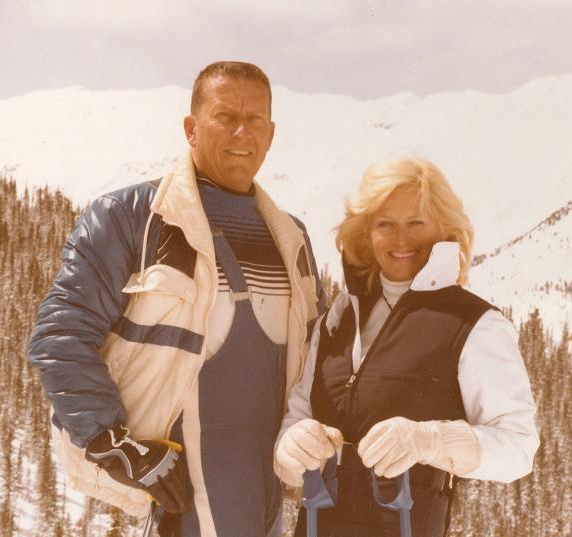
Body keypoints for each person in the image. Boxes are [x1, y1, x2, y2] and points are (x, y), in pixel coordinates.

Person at [28, 61, 326, 537]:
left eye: (254, 121)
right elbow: (59, 338)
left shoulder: (292, 238)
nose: (240, 132)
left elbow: (320, 358)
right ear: (191, 128)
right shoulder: (130, 218)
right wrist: (115, 444)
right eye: (224, 116)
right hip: (179, 500)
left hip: (268, 500)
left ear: (271, 135)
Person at [274, 158, 539, 537]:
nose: (402, 240)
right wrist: (291, 445)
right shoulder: (339, 317)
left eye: (417, 223)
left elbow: (518, 446)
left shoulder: (473, 324)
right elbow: (297, 412)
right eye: (386, 224)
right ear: (367, 233)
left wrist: (428, 441)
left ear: (445, 230)